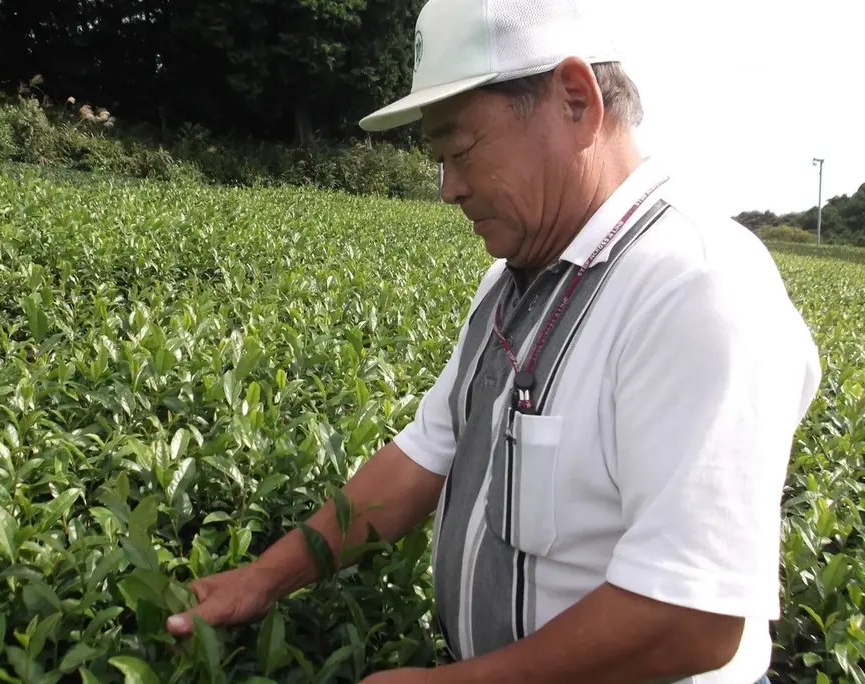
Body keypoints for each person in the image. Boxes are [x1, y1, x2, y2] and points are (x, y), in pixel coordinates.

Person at [166, 0, 823, 682]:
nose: (449, 188)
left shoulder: (698, 288)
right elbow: (423, 458)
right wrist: (266, 577)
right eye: (438, 158)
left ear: (576, 99)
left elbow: (693, 620)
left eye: (462, 149)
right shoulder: (514, 277)